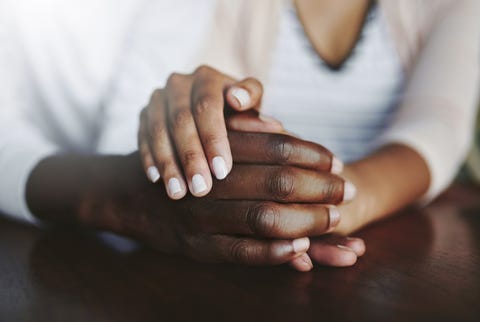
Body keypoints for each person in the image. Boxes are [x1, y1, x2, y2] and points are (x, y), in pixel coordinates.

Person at [0, 0, 478, 272]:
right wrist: (206, 114)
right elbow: (217, 108)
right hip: (249, 237)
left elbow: (437, 124)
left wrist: (338, 204)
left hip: (351, 236)